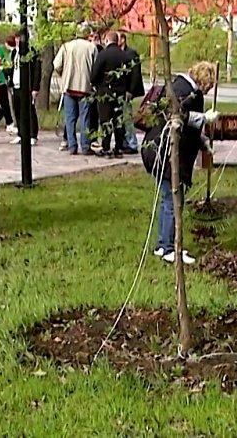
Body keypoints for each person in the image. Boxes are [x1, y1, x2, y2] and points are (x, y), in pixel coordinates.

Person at [141, 61, 219, 265]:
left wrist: (203, 142)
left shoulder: (185, 89)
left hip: (162, 151)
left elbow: (189, 130)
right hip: (164, 152)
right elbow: (176, 115)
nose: (208, 90)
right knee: (173, 199)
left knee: (169, 197)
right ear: (202, 80)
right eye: (208, 86)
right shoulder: (182, 89)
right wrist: (204, 118)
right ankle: (169, 248)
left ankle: (162, 245)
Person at [53, 24, 98, 155]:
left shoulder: (66, 46)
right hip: (85, 87)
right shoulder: (91, 48)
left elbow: (56, 65)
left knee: (70, 118)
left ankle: (72, 146)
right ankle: (85, 146)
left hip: (68, 86)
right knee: (85, 118)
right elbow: (95, 68)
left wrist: (64, 74)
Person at [90, 30, 131, 158]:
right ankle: (119, 147)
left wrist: (95, 84)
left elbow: (94, 74)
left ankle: (106, 147)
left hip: (105, 91)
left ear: (106, 40)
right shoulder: (124, 55)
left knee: (105, 120)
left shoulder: (103, 55)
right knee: (118, 120)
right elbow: (129, 74)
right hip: (120, 92)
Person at [8, 34, 41, 146]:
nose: (17, 41)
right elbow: (12, 68)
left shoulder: (31, 52)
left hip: (27, 86)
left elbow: (37, 70)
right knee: (17, 110)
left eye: (19, 38)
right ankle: (21, 134)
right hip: (16, 85)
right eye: (16, 38)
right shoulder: (14, 53)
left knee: (29, 110)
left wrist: (35, 87)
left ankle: (32, 134)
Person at [119, 31, 144, 154]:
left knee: (127, 116)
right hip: (119, 90)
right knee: (121, 117)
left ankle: (132, 143)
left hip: (127, 90)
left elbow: (135, 74)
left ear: (122, 40)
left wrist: (131, 91)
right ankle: (124, 142)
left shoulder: (131, 54)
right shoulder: (119, 53)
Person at [0, 33, 16, 134]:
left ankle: (9, 123)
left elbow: (7, 61)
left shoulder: (0, 50)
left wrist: (3, 67)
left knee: (5, 103)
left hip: (1, 80)